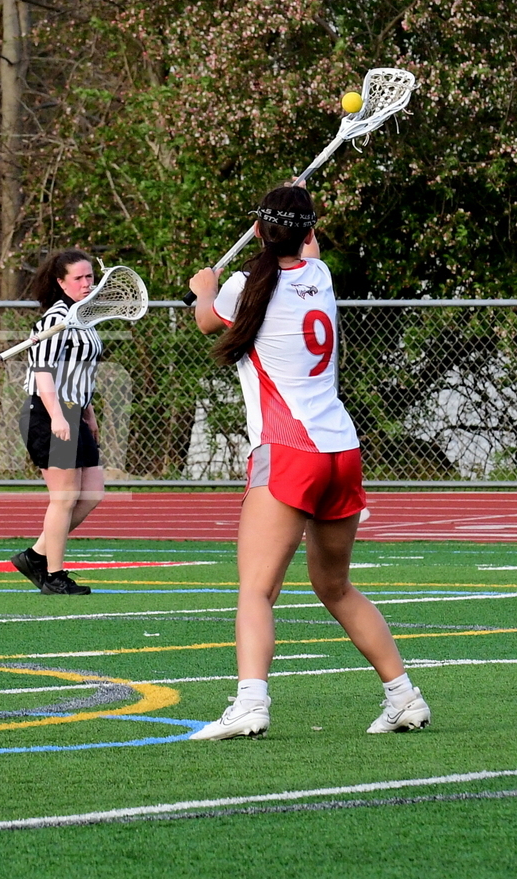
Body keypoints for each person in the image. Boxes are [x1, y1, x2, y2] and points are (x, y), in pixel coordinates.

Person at [186, 183, 430, 739]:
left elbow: (206, 321)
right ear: (308, 233)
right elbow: (303, 253)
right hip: (341, 450)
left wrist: (203, 288)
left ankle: (250, 702)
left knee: (257, 590)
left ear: (257, 230)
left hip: (289, 450)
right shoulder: (319, 275)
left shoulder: (243, 287)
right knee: (336, 586)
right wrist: (289, 218)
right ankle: (404, 697)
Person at [9, 248, 105, 595]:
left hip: (74, 411)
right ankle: (54, 575)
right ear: (61, 282)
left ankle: (35, 555)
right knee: (63, 498)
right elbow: (43, 371)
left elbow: (81, 373)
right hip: (49, 412)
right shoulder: (56, 319)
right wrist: (57, 416)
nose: (86, 283)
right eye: (78, 278)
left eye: (89, 276)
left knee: (92, 493)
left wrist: (88, 413)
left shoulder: (84, 318)